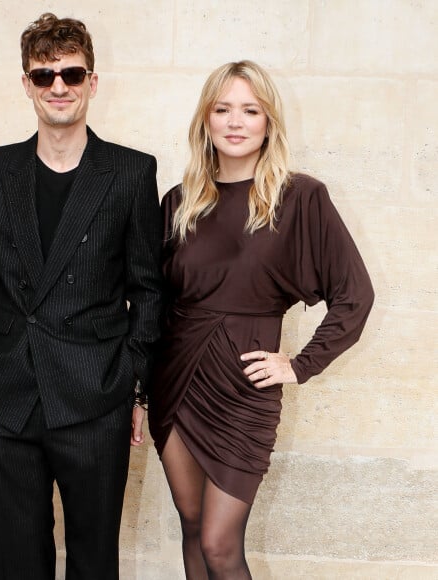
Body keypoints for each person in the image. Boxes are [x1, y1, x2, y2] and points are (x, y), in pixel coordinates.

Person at [148, 60, 374, 579]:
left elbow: (355, 296)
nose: (235, 121)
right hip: (176, 383)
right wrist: (140, 394)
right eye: (222, 109)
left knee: (220, 544)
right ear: (205, 120)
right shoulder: (179, 203)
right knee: (192, 526)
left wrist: (298, 365)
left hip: (242, 393)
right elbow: (154, 305)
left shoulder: (300, 198)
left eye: (250, 110)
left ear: (269, 121)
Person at [0, 13, 162, 580]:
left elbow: (147, 291)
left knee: (95, 562)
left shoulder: (129, 172)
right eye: (44, 75)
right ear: (26, 84)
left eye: (71, 73)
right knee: (13, 563)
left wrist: (132, 387)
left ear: (92, 81)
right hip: (7, 400)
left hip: (94, 398)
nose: (58, 87)